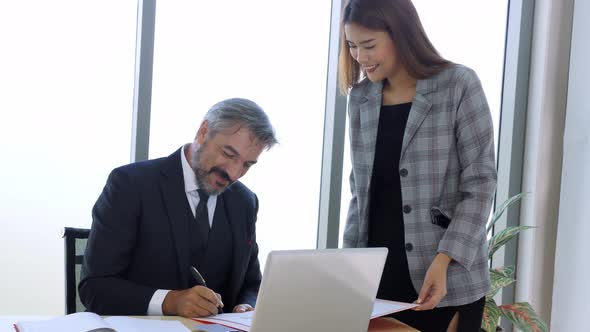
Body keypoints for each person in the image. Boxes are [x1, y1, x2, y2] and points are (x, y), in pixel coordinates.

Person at [339, 1, 497, 331]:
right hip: (378, 280)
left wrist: (444, 260)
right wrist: (347, 268)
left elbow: (480, 185)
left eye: (369, 45)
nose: (360, 57)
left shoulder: (458, 84)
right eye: (352, 46)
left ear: (402, 35)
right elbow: (360, 193)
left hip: (444, 277)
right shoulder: (361, 99)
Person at [79, 98, 278, 318]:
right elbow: (94, 287)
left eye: (247, 164)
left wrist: (247, 306)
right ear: (204, 132)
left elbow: (252, 285)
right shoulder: (130, 184)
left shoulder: (244, 202)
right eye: (229, 155)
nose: (234, 173)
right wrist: (168, 301)